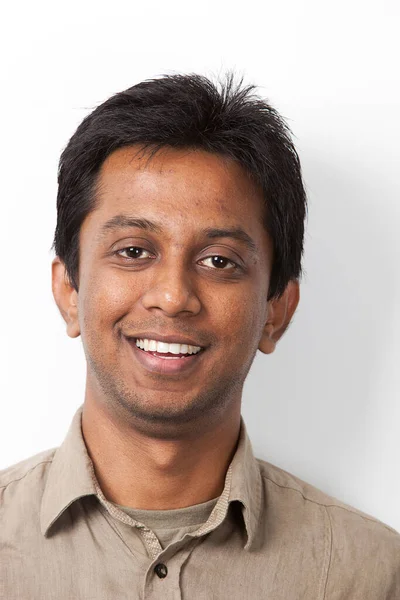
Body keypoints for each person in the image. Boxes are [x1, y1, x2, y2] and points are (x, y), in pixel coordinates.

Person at [1, 73, 399, 599]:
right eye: (134, 251)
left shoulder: (370, 573)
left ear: (276, 311)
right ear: (69, 290)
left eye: (219, 260)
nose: (172, 297)